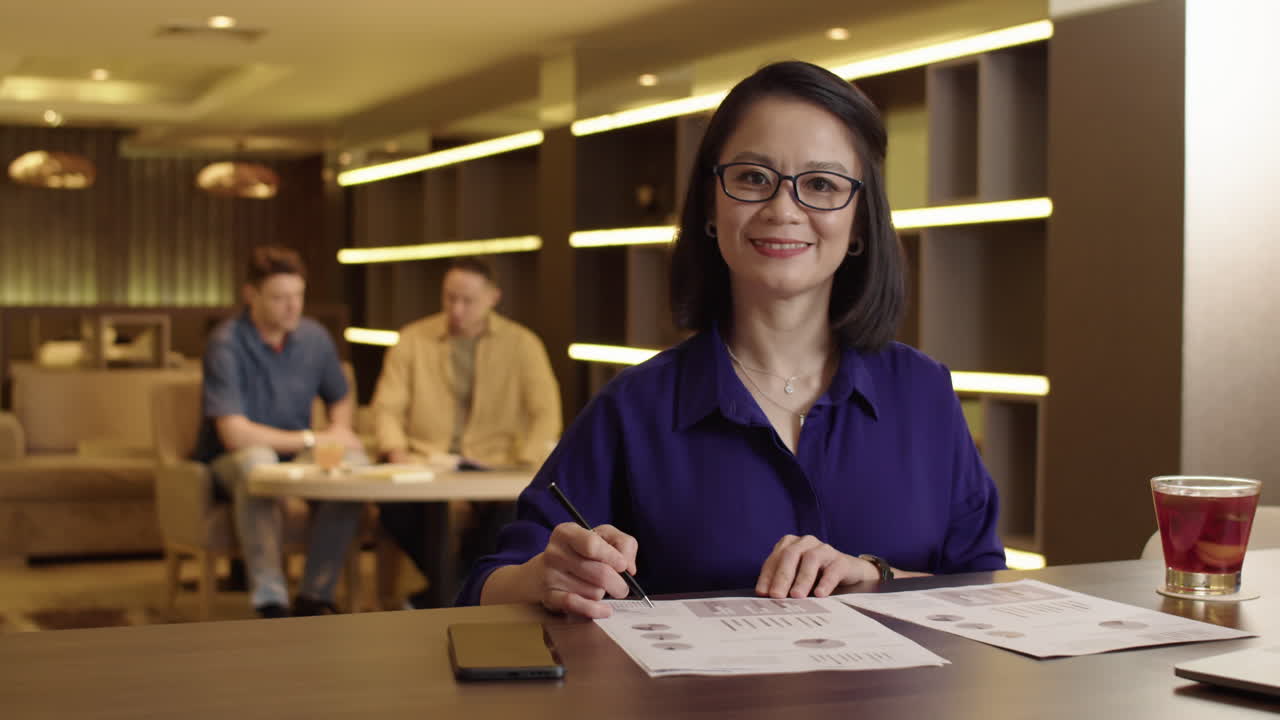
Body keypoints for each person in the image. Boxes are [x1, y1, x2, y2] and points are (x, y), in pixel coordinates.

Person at [459, 61, 1006, 617]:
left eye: (821, 184)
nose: (783, 208)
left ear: (861, 222)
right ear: (711, 207)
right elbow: (486, 587)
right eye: (752, 178)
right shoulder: (636, 408)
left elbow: (985, 586)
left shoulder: (922, 392)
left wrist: (876, 575)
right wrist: (543, 576)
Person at [371, 256, 561, 607]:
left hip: (498, 465)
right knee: (403, 508)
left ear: (493, 297)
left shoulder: (523, 344)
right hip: (424, 462)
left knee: (511, 513)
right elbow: (387, 407)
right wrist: (395, 450)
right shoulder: (412, 339)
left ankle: (445, 593)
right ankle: (457, 592)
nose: (456, 309)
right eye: (449, 298)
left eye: (468, 300)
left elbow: (545, 412)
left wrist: (528, 460)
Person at [194, 246, 367, 618]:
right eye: (279, 298)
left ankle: (315, 594)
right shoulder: (226, 342)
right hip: (232, 460)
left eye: (298, 296)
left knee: (352, 465)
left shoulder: (314, 338)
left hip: (298, 451)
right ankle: (270, 598)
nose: (292, 308)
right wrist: (313, 439)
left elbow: (340, 393)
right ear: (251, 296)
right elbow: (234, 434)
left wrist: (339, 427)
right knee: (258, 463)